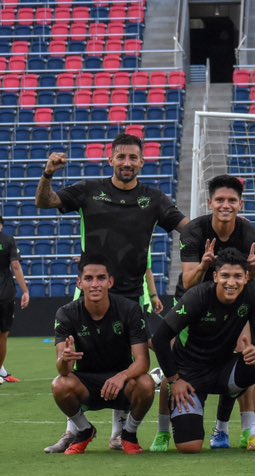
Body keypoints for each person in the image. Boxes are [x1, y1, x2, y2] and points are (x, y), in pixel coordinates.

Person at [37, 133, 188, 453]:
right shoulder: (89, 191)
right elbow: (44, 202)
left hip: (133, 297)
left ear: (142, 162)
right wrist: (48, 172)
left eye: (133, 158)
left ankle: (119, 434)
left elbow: (186, 227)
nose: (127, 163)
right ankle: (75, 430)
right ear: (111, 160)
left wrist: (223, 230)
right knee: (79, 360)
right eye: (121, 157)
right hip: (91, 294)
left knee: (129, 362)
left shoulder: (154, 199)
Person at [150, 174, 255, 453]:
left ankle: (237, 430)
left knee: (244, 353)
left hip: (234, 300)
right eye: (220, 200)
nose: (226, 205)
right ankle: (164, 430)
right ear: (210, 202)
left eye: (232, 200)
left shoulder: (250, 234)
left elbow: (254, 286)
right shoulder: (194, 232)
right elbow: (189, 283)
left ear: (240, 204)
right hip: (193, 300)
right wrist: (204, 265)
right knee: (172, 358)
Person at [152, 249, 255, 453]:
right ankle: (168, 421)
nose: (231, 282)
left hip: (225, 371)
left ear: (247, 277)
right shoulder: (197, 297)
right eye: (225, 276)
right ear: (215, 276)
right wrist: (174, 379)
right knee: (190, 447)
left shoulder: (254, 293)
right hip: (189, 376)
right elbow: (159, 338)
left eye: (238, 276)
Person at [50, 254, 155, 454]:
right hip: (86, 384)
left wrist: (121, 376)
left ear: (110, 282)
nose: (95, 284)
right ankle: (84, 430)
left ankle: (129, 434)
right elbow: (63, 370)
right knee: (60, 384)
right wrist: (65, 359)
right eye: (89, 279)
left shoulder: (129, 309)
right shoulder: (66, 313)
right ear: (79, 283)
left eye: (101, 278)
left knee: (146, 383)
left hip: (122, 383)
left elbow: (142, 361)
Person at [0, 216, 29, 385]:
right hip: (5, 292)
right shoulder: (8, 239)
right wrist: (25, 290)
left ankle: (2, 371)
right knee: (3, 334)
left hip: (4, 292)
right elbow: (16, 266)